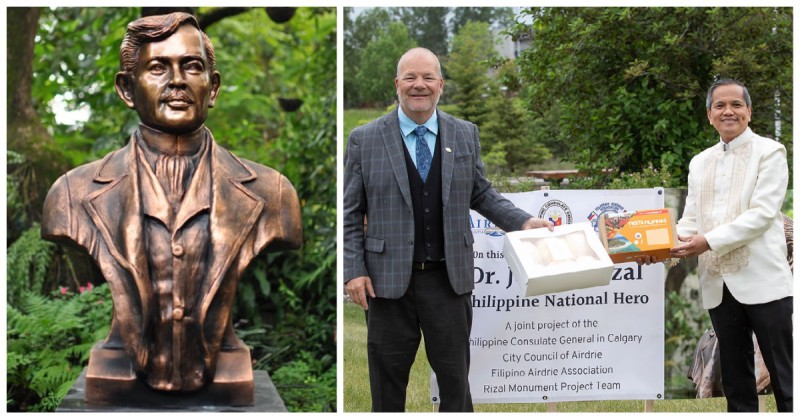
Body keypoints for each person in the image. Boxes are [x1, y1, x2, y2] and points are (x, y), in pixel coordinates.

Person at [41, 12, 302, 403]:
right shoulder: (71, 195)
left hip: (226, 367)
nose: (176, 80)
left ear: (212, 88)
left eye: (191, 66)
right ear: (127, 89)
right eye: (158, 67)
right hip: (119, 367)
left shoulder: (273, 194)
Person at [343, 47, 553, 412]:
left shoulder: (465, 133)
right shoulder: (365, 139)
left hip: (448, 281)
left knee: (456, 387)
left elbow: (482, 193)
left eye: (427, 78)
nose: (419, 85)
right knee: (386, 388)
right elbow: (350, 213)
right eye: (410, 77)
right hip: (387, 284)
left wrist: (523, 222)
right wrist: (354, 271)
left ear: (440, 85)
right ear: (397, 84)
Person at [642, 78, 792, 412]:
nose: (728, 111)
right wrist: (662, 249)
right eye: (720, 105)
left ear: (749, 112)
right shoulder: (700, 162)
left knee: (786, 382)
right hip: (719, 287)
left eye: (736, 105)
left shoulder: (770, 152)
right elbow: (690, 220)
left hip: (765, 283)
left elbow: (762, 215)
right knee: (736, 384)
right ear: (709, 115)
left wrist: (706, 241)